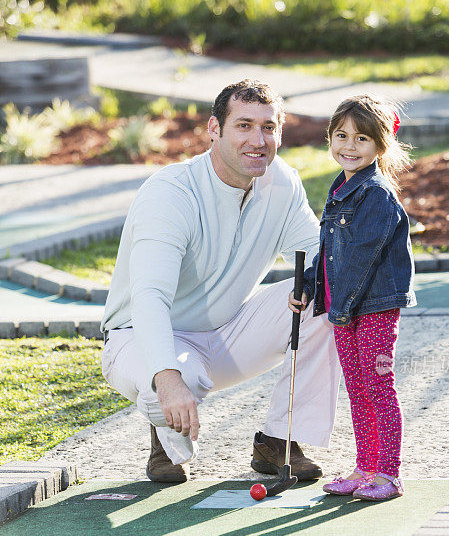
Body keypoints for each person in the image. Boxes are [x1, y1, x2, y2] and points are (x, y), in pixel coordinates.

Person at [101, 80, 341, 483]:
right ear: (215, 129)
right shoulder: (170, 193)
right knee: (180, 379)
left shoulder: (281, 182)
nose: (258, 140)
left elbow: (317, 256)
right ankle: (167, 445)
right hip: (138, 338)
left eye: (268, 127)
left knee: (325, 299)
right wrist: (167, 375)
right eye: (243, 125)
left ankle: (278, 440)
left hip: (227, 333)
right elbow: (150, 298)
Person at [289, 94, 416, 501]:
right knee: (358, 387)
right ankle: (365, 468)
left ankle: (388, 475)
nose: (349, 145)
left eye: (361, 138)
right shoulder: (340, 187)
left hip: (374, 304)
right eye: (341, 135)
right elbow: (330, 251)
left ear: (381, 145)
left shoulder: (376, 194)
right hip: (344, 305)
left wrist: (339, 309)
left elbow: (361, 258)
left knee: (378, 383)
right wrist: (310, 286)